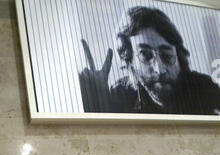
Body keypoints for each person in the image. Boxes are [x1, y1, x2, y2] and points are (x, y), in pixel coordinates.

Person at [79, 6, 220, 115]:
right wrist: (97, 100)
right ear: (130, 60)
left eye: (167, 55)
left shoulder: (207, 89)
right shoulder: (121, 95)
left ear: (180, 58)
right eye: (145, 55)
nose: (160, 69)